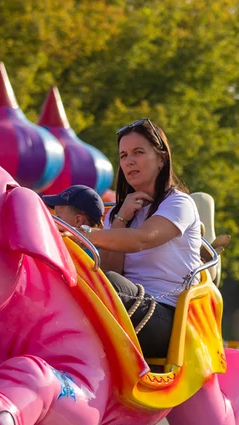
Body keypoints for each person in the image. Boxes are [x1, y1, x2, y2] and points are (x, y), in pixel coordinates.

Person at [82, 119, 202, 361]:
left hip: (169, 317)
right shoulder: (119, 213)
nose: (129, 161)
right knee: (83, 282)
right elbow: (110, 268)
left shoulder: (179, 203)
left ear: (161, 158)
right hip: (130, 306)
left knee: (107, 286)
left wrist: (84, 234)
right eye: (124, 155)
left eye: (138, 152)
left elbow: (142, 239)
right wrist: (122, 218)